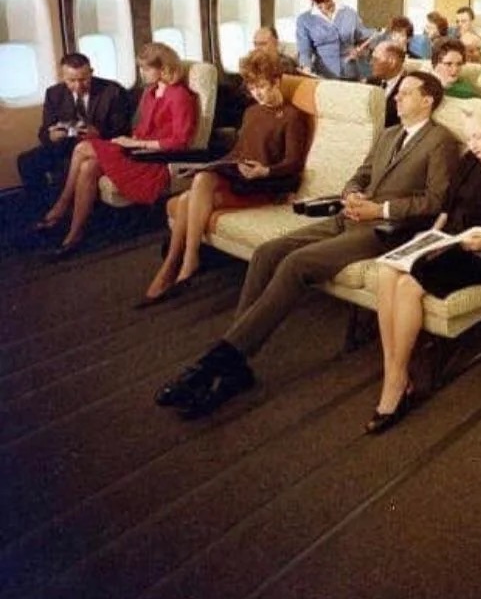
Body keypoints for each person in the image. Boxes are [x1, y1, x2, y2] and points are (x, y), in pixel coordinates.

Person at [154, 72, 458, 419]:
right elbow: (361, 173)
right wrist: (352, 193)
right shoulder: (389, 134)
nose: (397, 98)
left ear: (427, 100)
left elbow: (436, 200)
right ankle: (236, 359)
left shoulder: (440, 142)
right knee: (269, 251)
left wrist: (381, 209)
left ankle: (220, 361)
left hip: (390, 228)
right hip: (353, 215)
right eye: (398, 93)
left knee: (297, 263)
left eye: (406, 93)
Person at [365, 100, 481, 434]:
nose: (471, 145)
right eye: (469, 137)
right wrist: (433, 235)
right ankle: (395, 371)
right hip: (450, 241)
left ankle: (395, 383)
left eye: (478, 137)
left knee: (408, 286)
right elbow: (448, 206)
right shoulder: (471, 160)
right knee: (389, 271)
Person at [139, 50, 310, 306]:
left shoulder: (292, 116)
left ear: (277, 81)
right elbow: (237, 152)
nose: (258, 93)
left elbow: (293, 162)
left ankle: (184, 263)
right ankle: (176, 264)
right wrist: (210, 165)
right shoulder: (252, 112)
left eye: (262, 86)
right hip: (241, 178)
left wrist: (264, 171)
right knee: (192, 190)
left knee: (194, 192)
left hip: (265, 184)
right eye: (253, 88)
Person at [35, 43, 198, 256]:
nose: (142, 73)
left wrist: (137, 144)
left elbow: (180, 141)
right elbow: (141, 129)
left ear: (164, 69)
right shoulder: (150, 93)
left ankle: (62, 204)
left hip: (154, 158)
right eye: (141, 68)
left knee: (83, 147)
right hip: (137, 149)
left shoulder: (179, 96)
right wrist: (131, 140)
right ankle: (74, 235)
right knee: (88, 167)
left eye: (147, 68)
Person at [19, 52, 131, 204]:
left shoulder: (112, 91)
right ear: (63, 76)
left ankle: (65, 208)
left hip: (100, 144)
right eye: (71, 80)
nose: (78, 86)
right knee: (26, 161)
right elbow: (44, 132)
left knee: (69, 165)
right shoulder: (54, 93)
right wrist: (51, 136)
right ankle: (42, 205)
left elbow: (123, 130)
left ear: (91, 73)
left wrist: (98, 133)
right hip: (66, 144)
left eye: (83, 79)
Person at [294, 0, 374, 79]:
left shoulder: (349, 13)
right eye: (319, 2)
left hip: (351, 74)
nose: (323, 6)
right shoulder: (304, 20)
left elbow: (365, 39)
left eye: (326, 0)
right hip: (324, 76)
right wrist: (306, 68)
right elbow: (304, 52)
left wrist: (362, 51)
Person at [366, 40, 408, 127]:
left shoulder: (408, 87)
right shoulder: (370, 83)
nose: (370, 63)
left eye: (375, 59)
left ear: (392, 62)